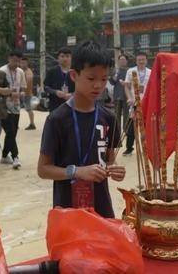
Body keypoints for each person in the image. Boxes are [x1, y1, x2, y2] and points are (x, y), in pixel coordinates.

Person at [37, 40, 125, 218]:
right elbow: (43, 169)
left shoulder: (109, 118)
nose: (98, 85)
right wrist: (77, 171)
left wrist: (114, 169)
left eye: (104, 79)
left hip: (101, 207)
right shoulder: (57, 119)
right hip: (68, 209)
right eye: (91, 78)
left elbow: (109, 161)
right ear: (73, 75)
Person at [0, 50, 27, 170]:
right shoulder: (1, 71)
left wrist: (20, 93)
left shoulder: (20, 72)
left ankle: (5, 156)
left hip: (16, 106)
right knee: (10, 131)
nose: (16, 63)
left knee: (13, 132)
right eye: (14, 60)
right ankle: (15, 157)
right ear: (9, 58)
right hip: (4, 107)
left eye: (18, 61)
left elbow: (23, 88)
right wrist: (9, 94)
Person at [123, 52, 152, 155]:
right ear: (136, 61)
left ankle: (147, 148)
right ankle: (129, 148)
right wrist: (129, 98)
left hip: (146, 103)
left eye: (143, 59)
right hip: (134, 102)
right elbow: (126, 86)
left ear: (146, 60)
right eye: (139, 60)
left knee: (146, 126)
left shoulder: (151, 72)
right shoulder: (131, 71)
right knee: (132, 126)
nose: (141, 61)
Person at [44, 47, 74, 112]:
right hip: (55, 105)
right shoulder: (51, 71)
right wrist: (55, 92)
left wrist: (72, 94)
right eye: (62, 56)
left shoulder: (76, 72)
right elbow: (46, 87)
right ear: (58, 58)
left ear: (71, 58)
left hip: (71, 105)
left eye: (67, 56)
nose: (65, 59)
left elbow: (81, 89)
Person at [110, 54, 129, 133]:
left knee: (126, 115)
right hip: (117, 95)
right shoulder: (115, 71)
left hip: (127, 96)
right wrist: (115, 76)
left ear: (127, 61)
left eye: (124, 60)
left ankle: (126, 132)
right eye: (120, 60)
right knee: (117, 115)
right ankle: (117, 132)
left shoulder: (129, 71)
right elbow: (112, 82)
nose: (122, 61)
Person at [20, 56, 36, 130]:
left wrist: (24, 91)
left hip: (26, 94)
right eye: (21, 63)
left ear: (27, 63)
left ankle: (32, 124)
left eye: (24, 63)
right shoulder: (22, 71)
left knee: (28, 108)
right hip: (22, 93)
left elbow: (28, 83)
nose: (22, 64)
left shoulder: (28, 72)